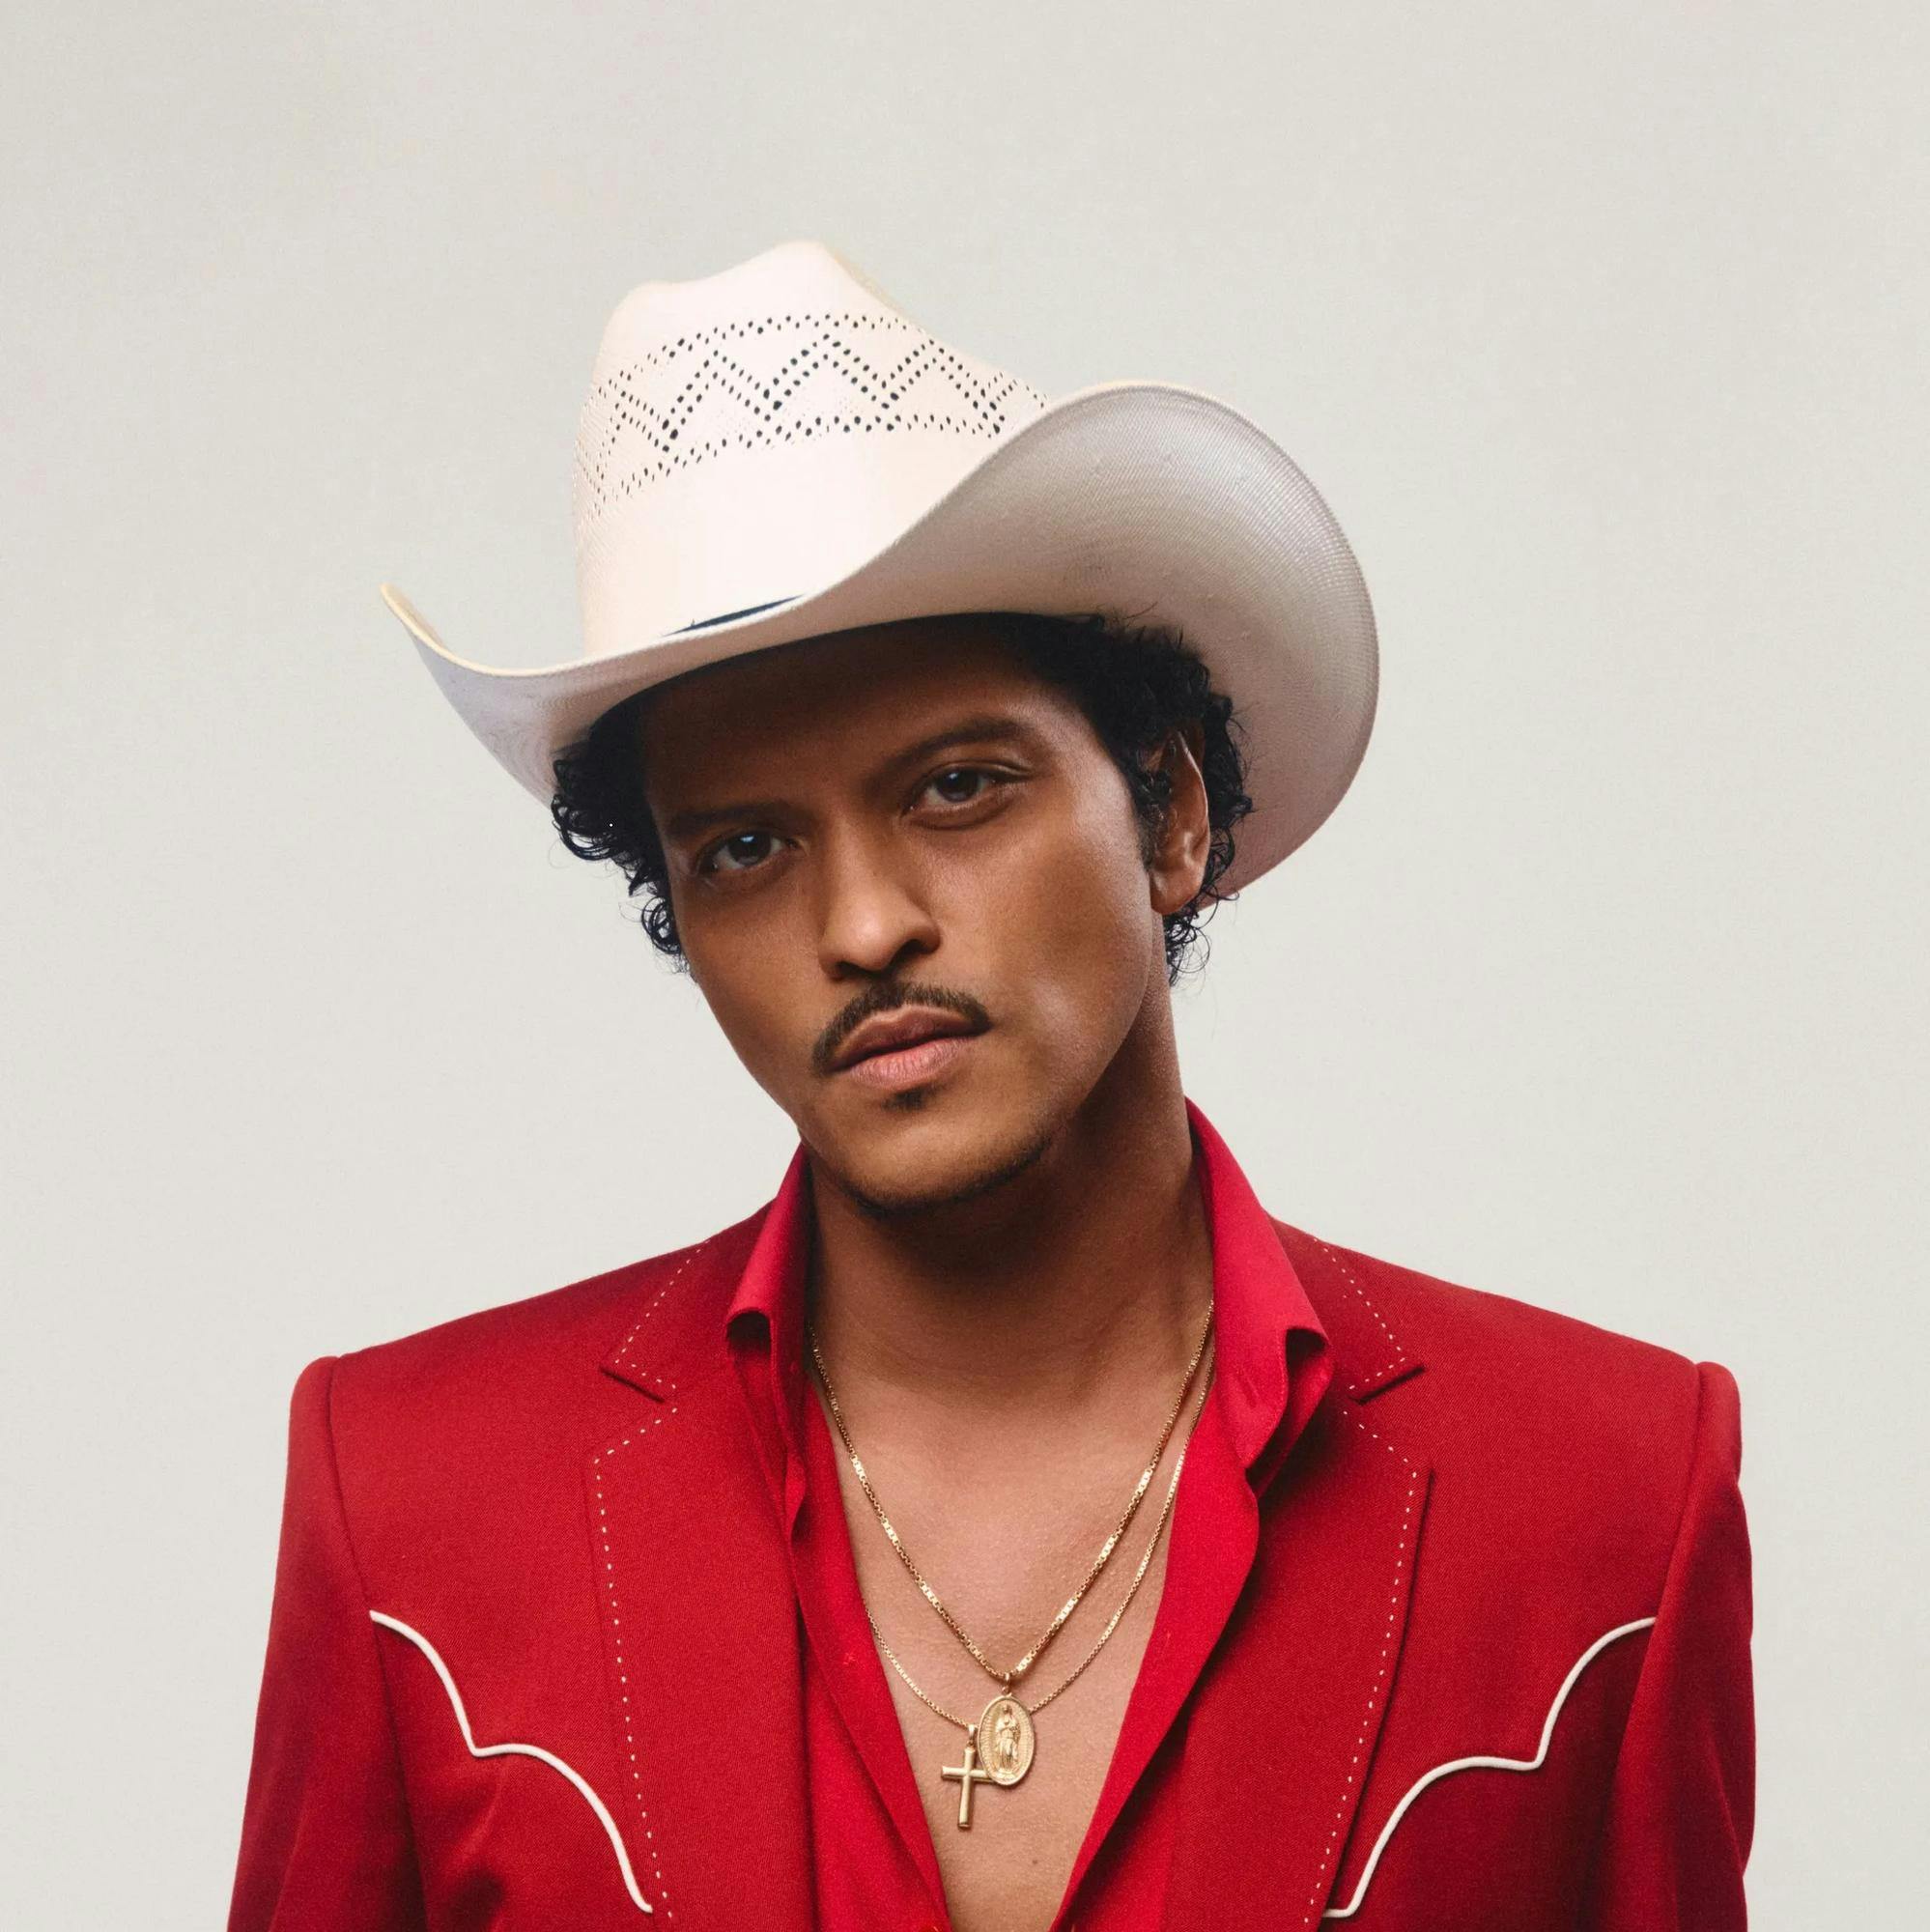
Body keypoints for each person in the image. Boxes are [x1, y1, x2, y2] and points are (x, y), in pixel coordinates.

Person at [228, 241, 1753, 1932]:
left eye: (959, 788)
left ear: (1168, 815)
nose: (863, 925)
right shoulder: (414, 1501)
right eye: (743, 847)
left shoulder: (1608, 1494)